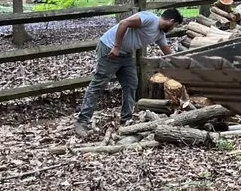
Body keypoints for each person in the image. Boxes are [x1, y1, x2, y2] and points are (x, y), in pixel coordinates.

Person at [74, 8, 183, 137]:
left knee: (131, 84)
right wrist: (116, 47)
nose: (173, 29)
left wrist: (184, 62)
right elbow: (123, 23)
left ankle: (126, 119)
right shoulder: (149, 19)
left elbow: (168, 53)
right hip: (110, 49)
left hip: (126, 55)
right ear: (171, 21)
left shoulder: (159, 34)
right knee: (98, 85)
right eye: (174, 26)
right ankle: (82, 122)